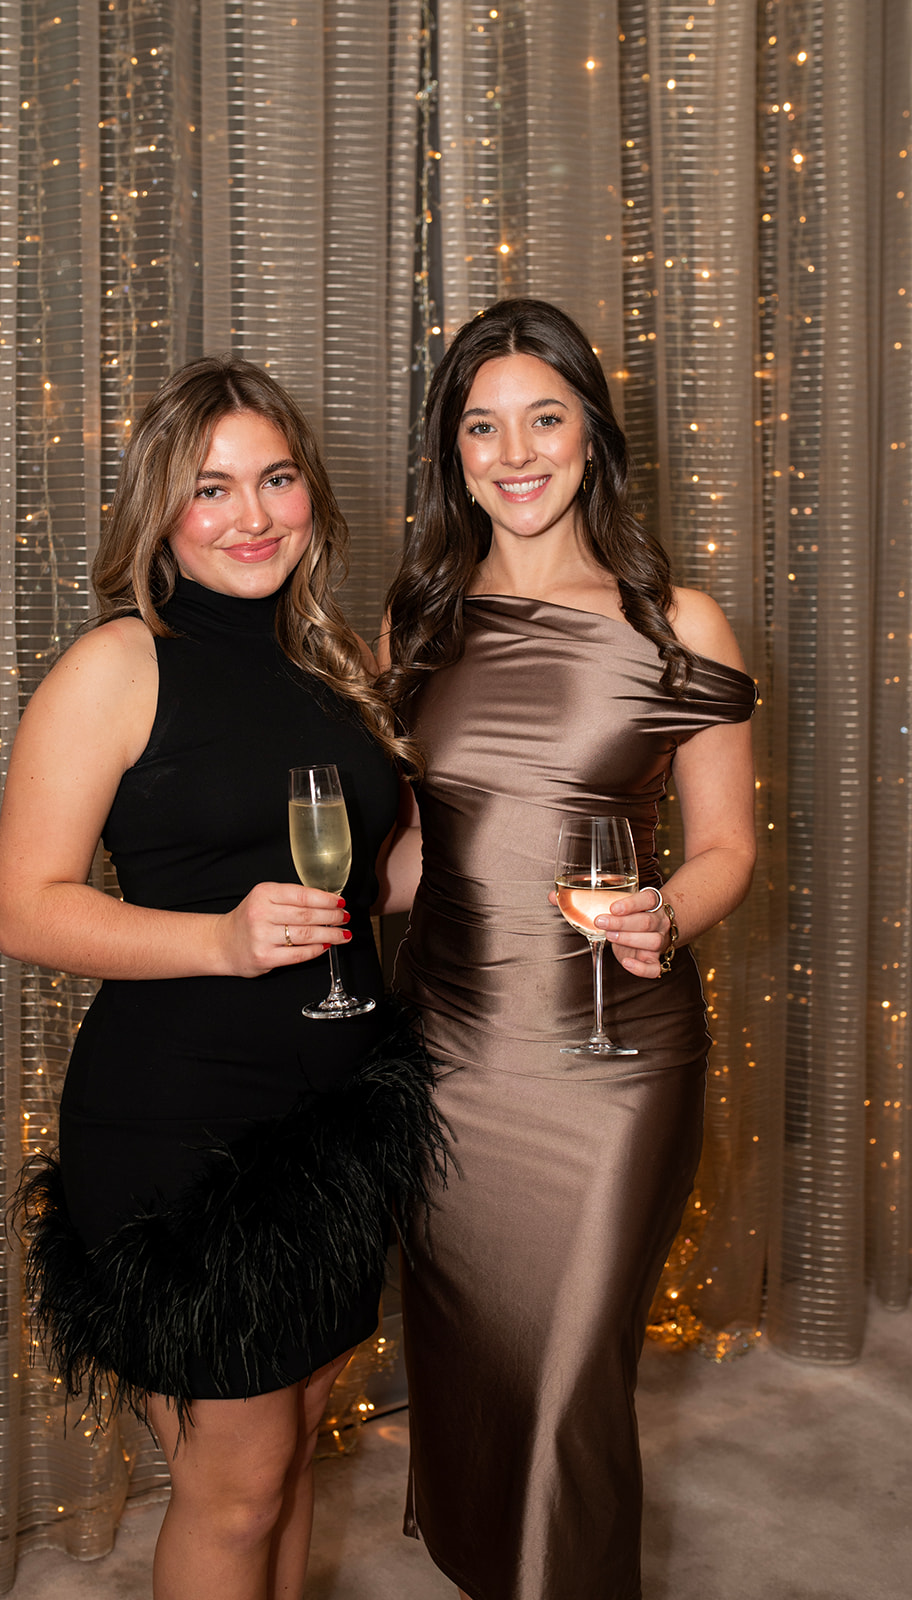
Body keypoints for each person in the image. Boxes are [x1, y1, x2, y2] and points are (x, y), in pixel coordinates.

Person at [0, 356, 443, 1600]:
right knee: (234, 1485)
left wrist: (533, 825)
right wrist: (218, 939)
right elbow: (25, 908)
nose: (251, 515)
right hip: (181, 1133)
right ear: (161, 513)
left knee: (292, 1453)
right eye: (211, 489)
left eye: (276, 479)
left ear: (310, 495)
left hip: (337, 1126)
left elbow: (380, 880)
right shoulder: (118, 665)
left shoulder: (331, 662)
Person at [379, 298, 757, 1600]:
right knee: (478, 1373)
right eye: (481, 426)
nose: (515, 453)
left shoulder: (676, 623)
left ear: (592, 433)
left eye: (544, 418)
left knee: (565, 1389)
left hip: (611, 1062)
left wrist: (669, 910)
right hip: (447, 1056)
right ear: (452, 449)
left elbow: (727, 850)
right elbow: (419, 857)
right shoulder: (417, 622)